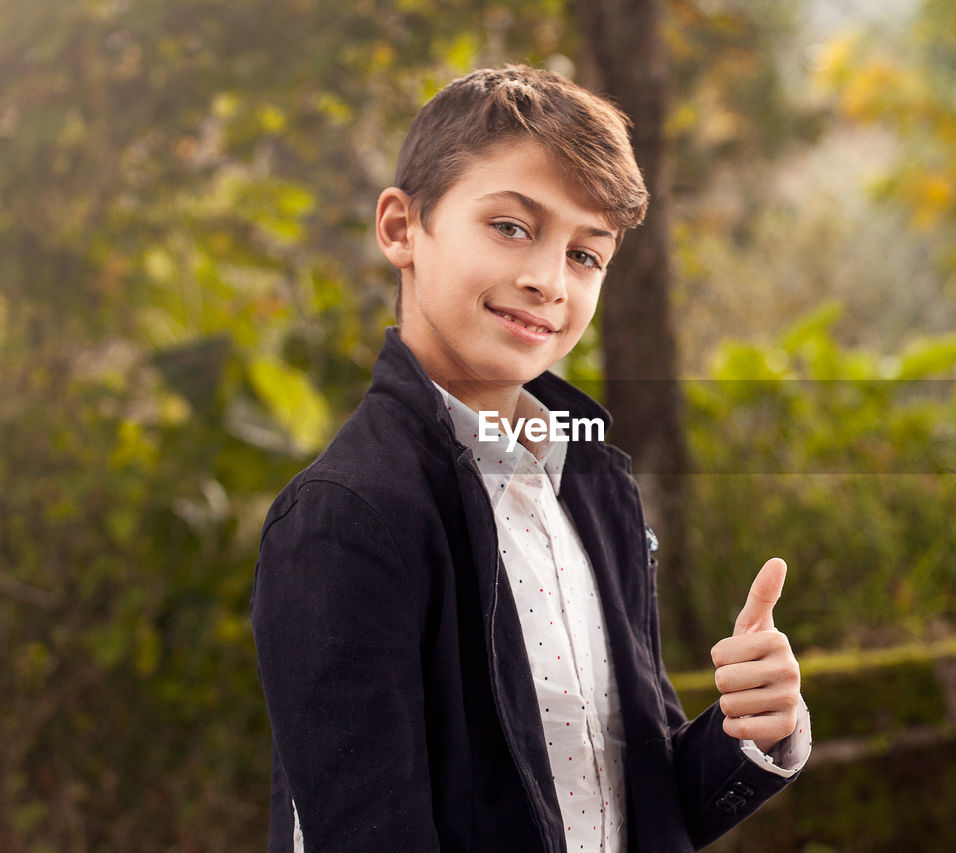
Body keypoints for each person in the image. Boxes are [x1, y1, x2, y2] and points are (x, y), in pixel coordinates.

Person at [250, 64, 810, 852]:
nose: (548, 280)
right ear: (401, 228)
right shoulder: (345, 516)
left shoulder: (595, 486)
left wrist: (754, 729)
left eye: (587, 255)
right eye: (512, 226)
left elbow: (632, 800)